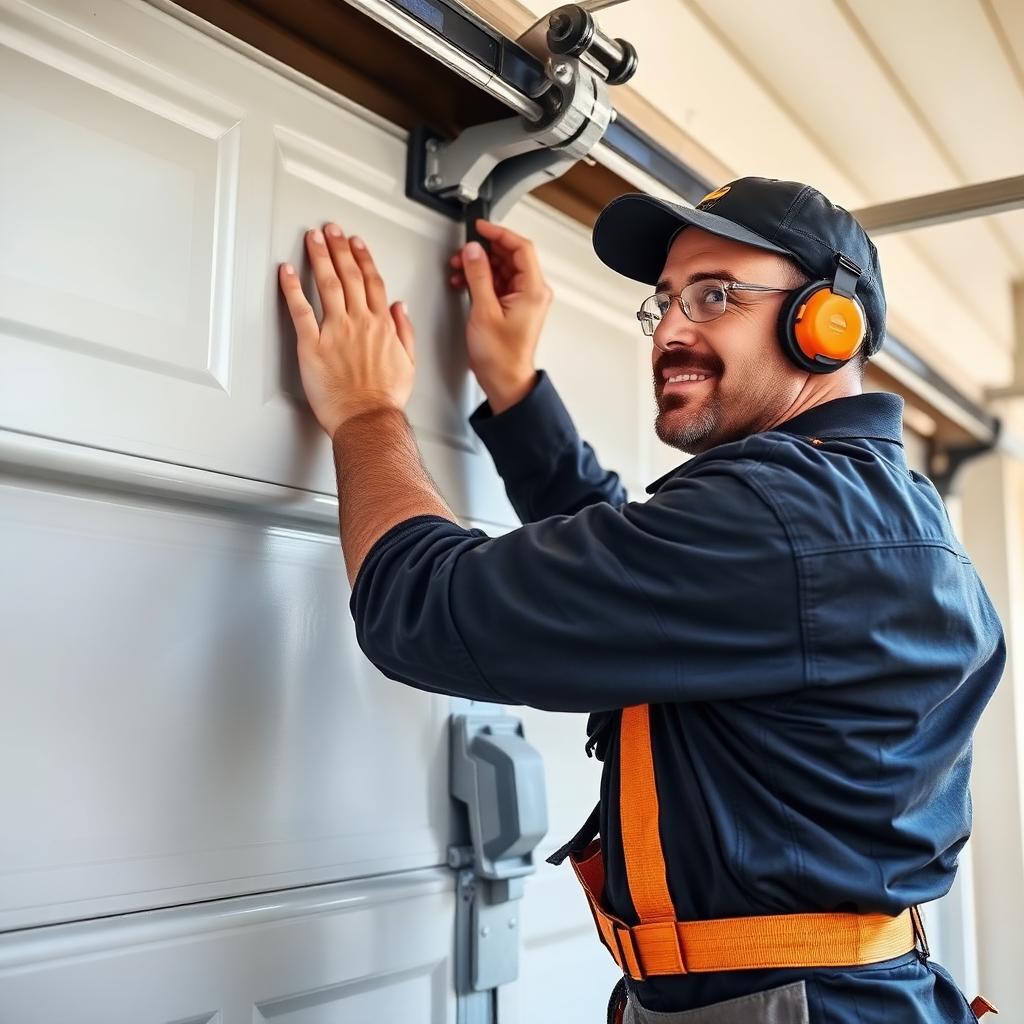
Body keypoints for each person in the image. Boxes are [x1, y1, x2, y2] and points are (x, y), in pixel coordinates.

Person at [277, 176, 1004, 1023]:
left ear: (827, 324)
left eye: (716, 295)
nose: (672, 332)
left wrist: (367, 413)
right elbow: (651, 579)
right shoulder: (870, 509)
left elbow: (423, 609)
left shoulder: (783, 518)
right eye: (664, 304)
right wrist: (513, 394)